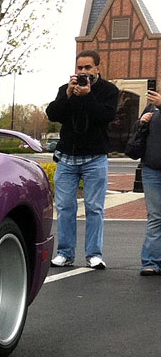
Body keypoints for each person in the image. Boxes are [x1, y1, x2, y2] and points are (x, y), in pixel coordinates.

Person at [45, 50, 120, 268]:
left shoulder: (108, 91)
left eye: (88, 68)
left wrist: (87, 96)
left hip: (95, 158)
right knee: (65, 207)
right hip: (67, 158)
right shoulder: (66, 89)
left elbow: (106, 116)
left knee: (94, 207)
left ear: (98, 68)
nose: (83, 72)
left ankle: (94, 254)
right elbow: (52, 114)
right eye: (80, 68)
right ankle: (65, 253)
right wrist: (68, 94)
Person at [125, 89, 160, 275]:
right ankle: (151, 261)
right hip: (152, 169)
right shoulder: (151, 107)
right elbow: (137, 135)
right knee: (155, 216)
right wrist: (141, 123)